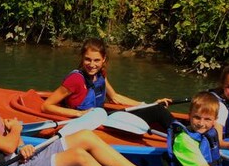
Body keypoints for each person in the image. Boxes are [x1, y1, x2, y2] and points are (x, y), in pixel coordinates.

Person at [0, 58, 148, 166]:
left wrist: (21, 143)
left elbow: (7, 130)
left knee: (85, 135)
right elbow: (7, 145)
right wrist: (16, 130)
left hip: (19, 155)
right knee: (78, 156)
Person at [40, 38, 172, 130]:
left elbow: (115, 98)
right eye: (88, 59)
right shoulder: (75, 79)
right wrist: (79, 114)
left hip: (103, 118)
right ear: (82, 58)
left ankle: (183, 134)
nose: (92, 65)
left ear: (103, 59)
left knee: (157, 110)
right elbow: (46, 106)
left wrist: (148, 105)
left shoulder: (100, 75)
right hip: (87, 123)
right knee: (157, 112)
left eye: (96, 60)